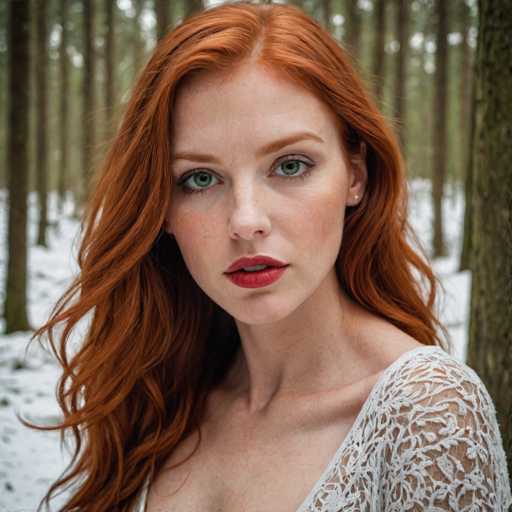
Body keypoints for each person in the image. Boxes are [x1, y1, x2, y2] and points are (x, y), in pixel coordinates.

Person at [29, 1, 512, 511]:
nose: (245, 219)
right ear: (162, 208)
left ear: (355, 175)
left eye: (290, 165)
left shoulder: (428, 414)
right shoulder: (160, 392)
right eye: (199, 178)